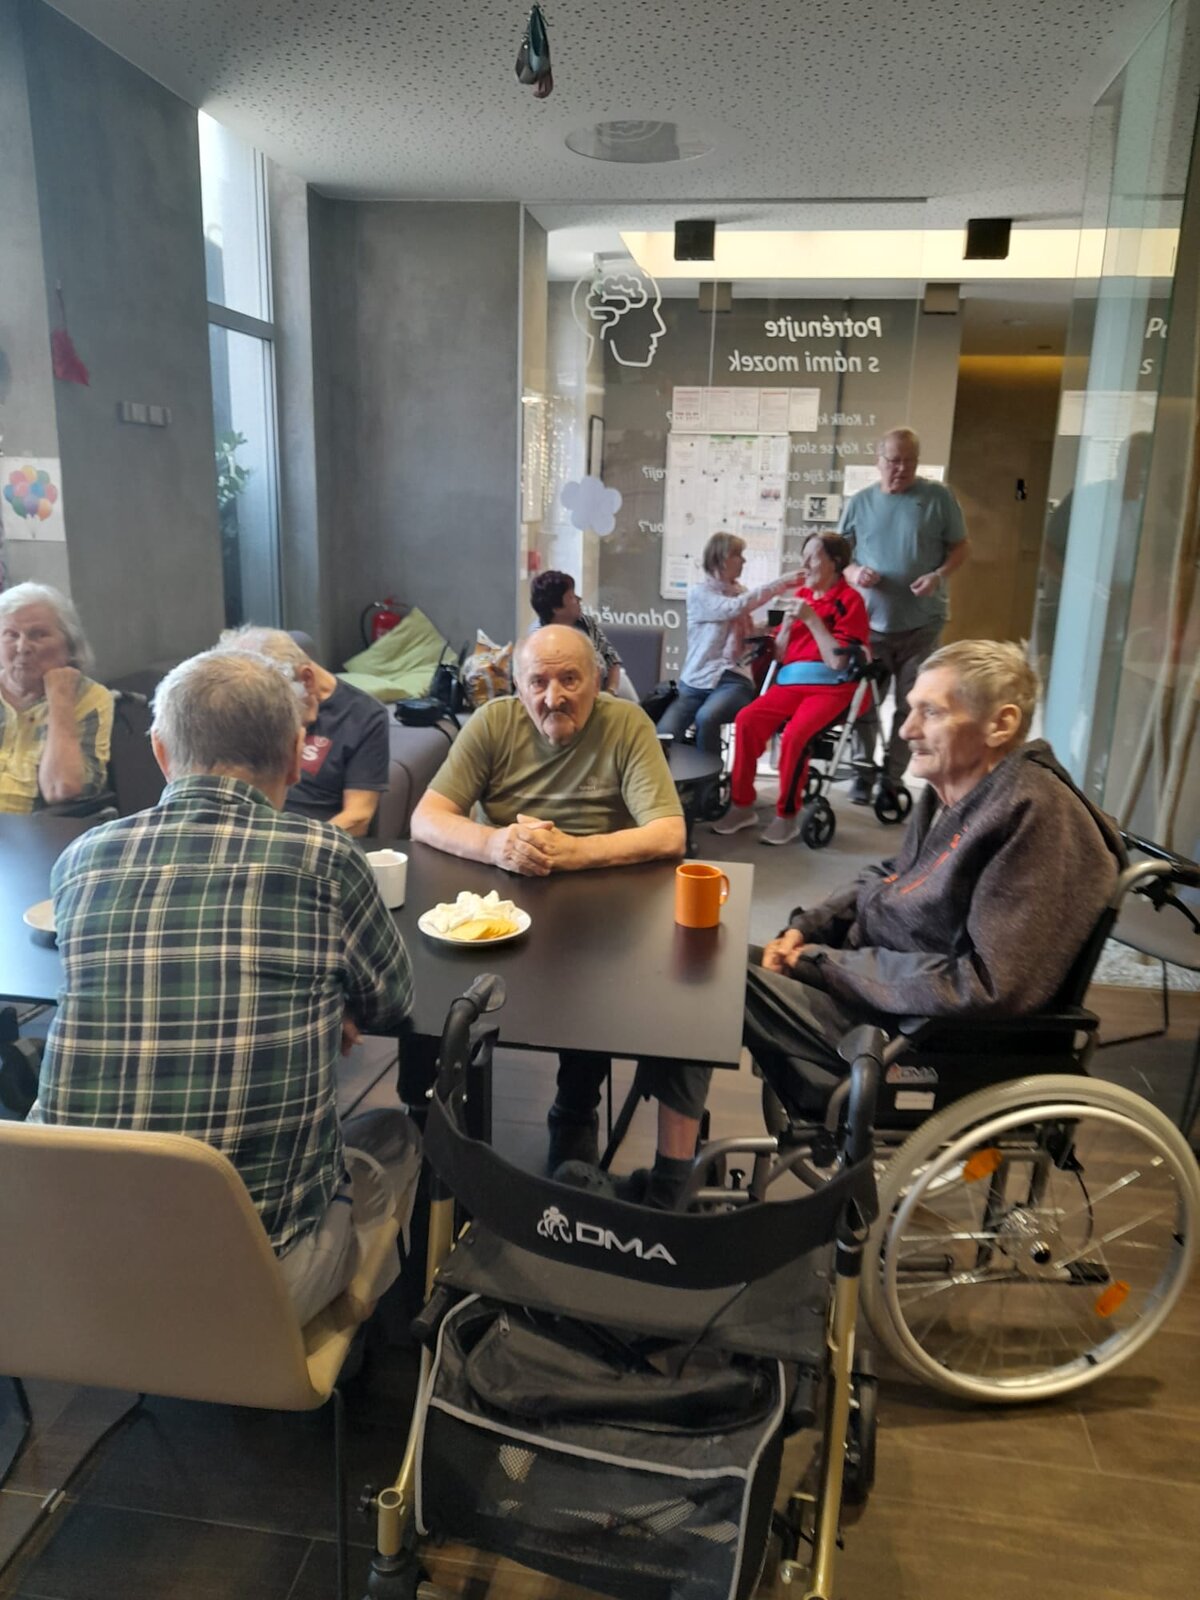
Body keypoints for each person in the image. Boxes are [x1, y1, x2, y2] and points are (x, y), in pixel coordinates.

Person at [29, 650, 420, 1325]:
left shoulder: (82, 861)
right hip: (248, 1294)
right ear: (296, 757)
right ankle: (361, 1338)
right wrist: (323, 1001)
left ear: (160, 752)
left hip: (77, 1274)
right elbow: (391, 1003)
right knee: (395, 1135)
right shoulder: (325, 858)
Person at [741, 640, 1124, 1111]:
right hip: (878, 987)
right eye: (910, 709)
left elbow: (985, 985)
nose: (907, 730)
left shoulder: (1035, 816)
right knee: (709, 962)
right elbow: (891, 875)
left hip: (922, 1036)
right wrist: (807, 930)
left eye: (932, 712)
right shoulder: (956, 789)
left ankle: (676, 1154)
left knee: (717, 983)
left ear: (1000, 724)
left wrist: (824, 963)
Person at [410, 625, 696, 1205]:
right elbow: (427, 817)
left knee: (588, 989)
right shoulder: (492, 724)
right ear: (517, 687)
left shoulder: (627, 724)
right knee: (432, 982)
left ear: (598, 682)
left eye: (570, 679)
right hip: (499, 896)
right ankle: (434, 1116)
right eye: (537, 682)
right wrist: (494, 843)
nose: (553, 696)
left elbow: (669, 833)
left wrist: (575, 851)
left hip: (597, 900)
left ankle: (573, 1113)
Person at [713, 532, 870, 845]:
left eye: (813, 557)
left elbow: (838, 662)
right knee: (747, 720)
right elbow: (781, 656)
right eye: (804, 556)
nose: (805, 564)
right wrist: (785, 627)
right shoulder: (802, 596)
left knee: (796, 735)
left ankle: (787, 816)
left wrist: (812, 621)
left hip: (832, 687)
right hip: (791, 682)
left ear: (835, 562)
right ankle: (742, 805)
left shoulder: (850, 601)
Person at [839, 427, 969, 803]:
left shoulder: (938, 498)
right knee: (865, 701)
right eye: (894, 461)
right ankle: (862, 770)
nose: (902, 469)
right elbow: (840, 556)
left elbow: (960, 547)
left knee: (912, 704)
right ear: (878, 461)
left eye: (910, 462)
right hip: (871, 624)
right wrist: (854, 572)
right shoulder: (860, 502)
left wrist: (938, 575)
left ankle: (893, 776)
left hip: (922, 623)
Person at [217, 625, 389, 836]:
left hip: (313, 838)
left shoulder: (363, 715)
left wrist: (294, 846)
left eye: (273, 698)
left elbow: (358, 816)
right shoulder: (241, 706)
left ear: (307, 679)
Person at [655, 532, 801, 755]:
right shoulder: (699, 594)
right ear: (722, 558)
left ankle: (709, 777)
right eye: (738, 555)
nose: (744, 560)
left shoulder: (741, 594)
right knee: (663, 735)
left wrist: (772, 624)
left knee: (707, 717)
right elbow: (731, 609)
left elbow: (747, 632)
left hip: (735, 679)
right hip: (696, 679)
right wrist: (780, 583)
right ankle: (674, 776)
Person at [0, 582, 113, 815]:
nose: (22, 647)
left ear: (69, 645)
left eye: (38, 635)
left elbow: (62, 787)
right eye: (11, 635)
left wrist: (60, 699)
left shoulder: (89, 697)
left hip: (37, 829)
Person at [528, 570, 639, 702]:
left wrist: (610, 692)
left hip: (609, 690)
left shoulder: (586, 623)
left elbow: (612, 659)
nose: (579, 599)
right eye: (572, 597)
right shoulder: (539, 639)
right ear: (556, 608)